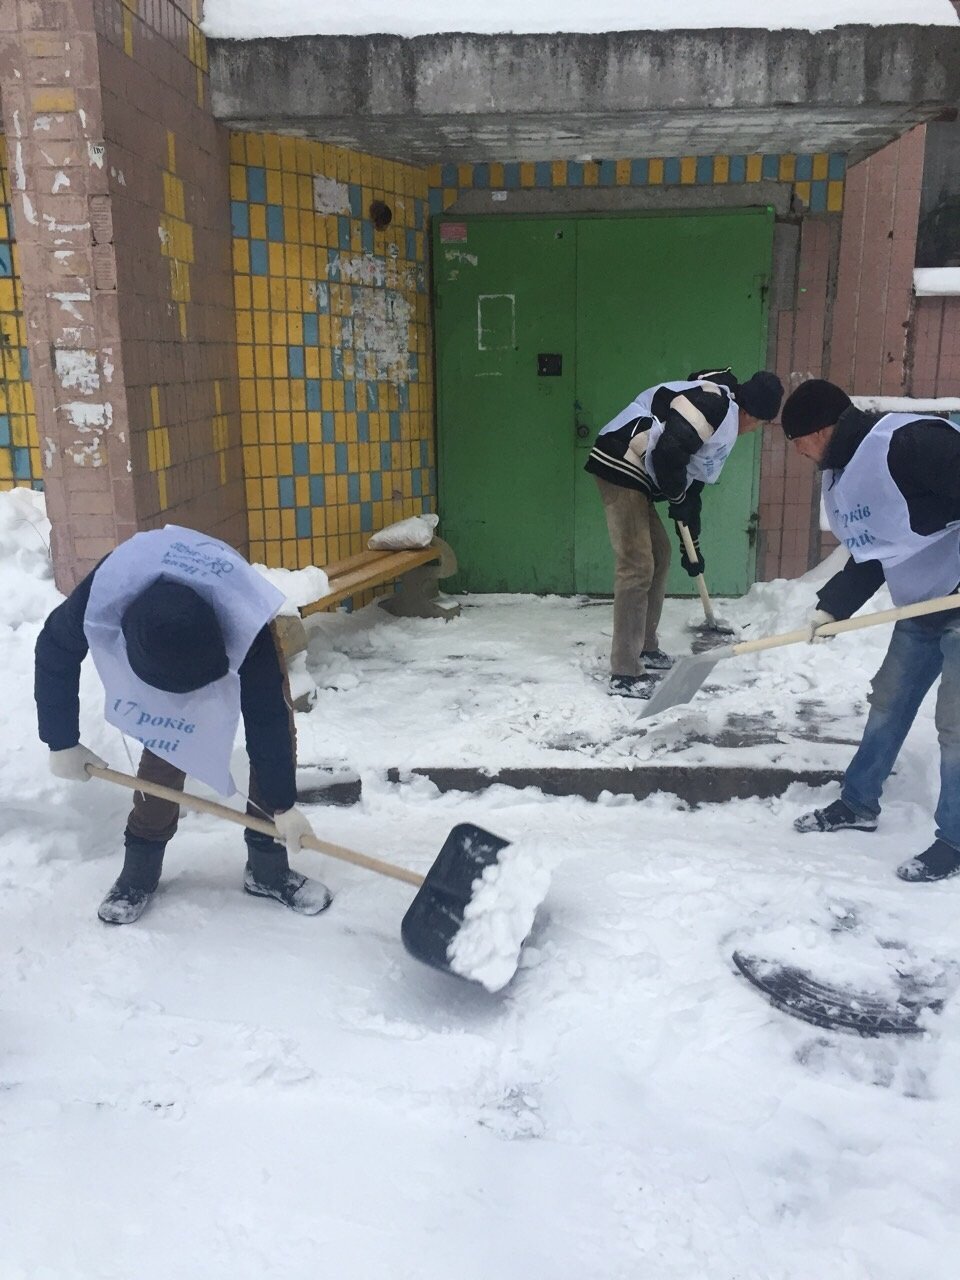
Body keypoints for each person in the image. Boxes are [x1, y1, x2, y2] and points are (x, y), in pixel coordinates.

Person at [34, 524, 332, 924]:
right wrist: (61, 741)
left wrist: (282, 803)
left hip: (224, 613)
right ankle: (139, 870)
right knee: (168, 739)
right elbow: (54, 648)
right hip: (154, 632)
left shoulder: (245, 620)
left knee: (276, 732)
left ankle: (267, 867)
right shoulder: (105, 591)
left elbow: (267, 720)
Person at [781, 379, 960, 882]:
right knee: (888, 704)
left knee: (956, 726)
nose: (798, 453)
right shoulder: (843, 473)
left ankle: (954, 840)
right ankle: (858, 804)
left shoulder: (911, 443)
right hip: (921, 603)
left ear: (822, 431)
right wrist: (831, 608)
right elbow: (874, 550)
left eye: (797, 442)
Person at [584, 366, 784, 697]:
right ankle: (624, 672)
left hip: (639, 470)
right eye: (760, 424)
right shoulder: (714, 405)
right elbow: (669, 454)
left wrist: (692, 546)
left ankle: (646, 646)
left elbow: (690, 491)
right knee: (637, 565)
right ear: (753, 414)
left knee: (660, 554)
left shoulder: (721, 422)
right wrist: (677, 496)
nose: (755, 431)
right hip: (621, 458)